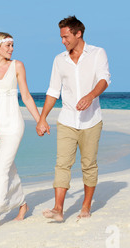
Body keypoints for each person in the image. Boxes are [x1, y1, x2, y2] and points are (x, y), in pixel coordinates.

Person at [37, 16, 111, 222]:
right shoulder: (59, 59)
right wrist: (42, 118)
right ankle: (58, 209)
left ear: (78, 34)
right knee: (62, 164)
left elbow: (104, 79)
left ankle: (86, 206)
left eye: (66, 36)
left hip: (91, 121)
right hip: (67, 120)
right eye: (61, 37)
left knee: (88, 165)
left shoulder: (97, 53)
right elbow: (53, 91)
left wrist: (90, 96)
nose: (63, 41)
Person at [0, 32, 41, 228]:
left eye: (13, 45)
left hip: (13, 124)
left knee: (2, 169)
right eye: (8, 45)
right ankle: (22, 204)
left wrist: (40, 120)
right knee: (2, 169)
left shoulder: (17, 66)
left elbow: (26, 97)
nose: (12, 49)